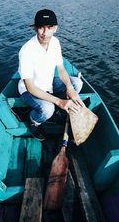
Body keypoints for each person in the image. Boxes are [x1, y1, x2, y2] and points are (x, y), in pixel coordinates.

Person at [18, 9, 85, 138]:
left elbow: (61, 69)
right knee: (48, 110)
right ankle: (33, 121)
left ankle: (58, 105)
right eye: (41, 28)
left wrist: (70, 89)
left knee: (77, 83)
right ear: (35, 28)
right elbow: (31, 87)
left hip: (49, 85)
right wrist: (60, 102)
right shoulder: (27, 50)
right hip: (29, 90)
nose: (45, 33)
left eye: (50, 27)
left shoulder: (55, 42)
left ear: (56, 28)